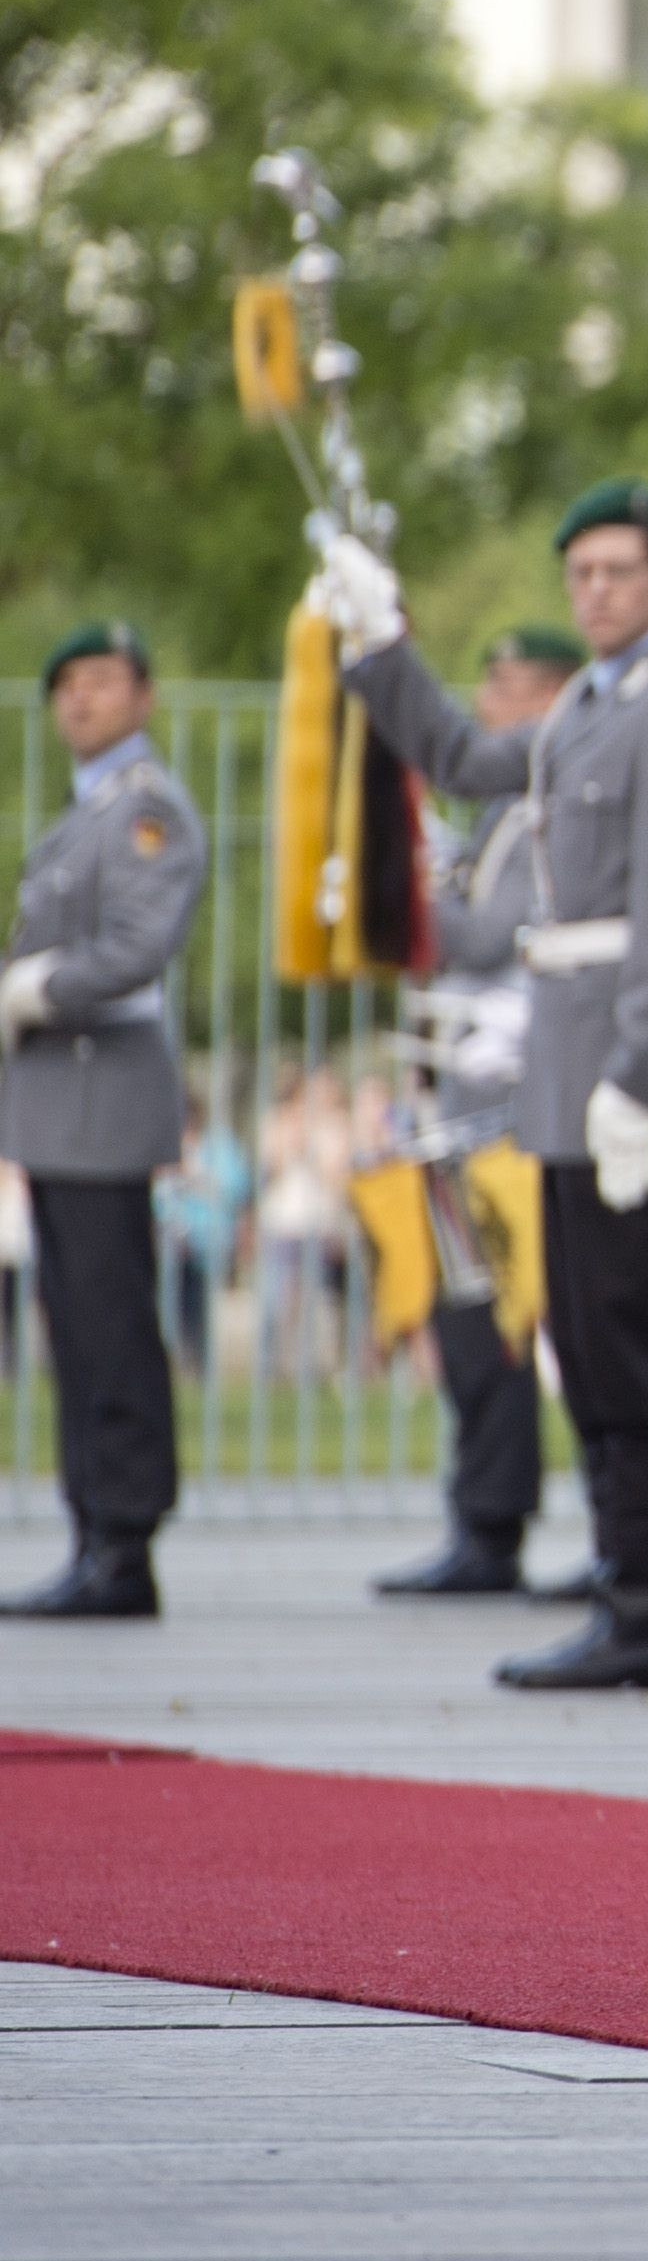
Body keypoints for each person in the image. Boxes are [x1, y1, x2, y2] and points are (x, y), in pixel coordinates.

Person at [321, 484, 648, 1689]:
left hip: (625, 1082)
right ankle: (626, 1593)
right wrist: (378, 647)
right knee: (590, 1351)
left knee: (635, 1349)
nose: (597, 591)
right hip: (567, 1083)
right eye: (583, 575)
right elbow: (458, 756)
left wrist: (639, 1082)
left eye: (618, 571)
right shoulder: (580, 717)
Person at [0, 623, 207, 1622]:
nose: (80, 699)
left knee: (110, 1321)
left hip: (101, 1090)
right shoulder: (91, 812)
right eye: (66, 685)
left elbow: (134, 948)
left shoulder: (144, 808)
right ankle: (96, 1531)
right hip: (65, 1102)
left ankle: (121, 1540)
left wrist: (34, 989)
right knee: (78, 1324)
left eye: (101, 681)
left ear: (144, 696)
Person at [372, 625, 583, 1600]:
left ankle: (494, 1521)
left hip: (505, 1106)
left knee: (496, 1317)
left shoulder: (542, 809)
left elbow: (495, 934)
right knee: (465, 1318)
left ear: (542, 700)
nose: (483, 705)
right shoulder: (504, 811)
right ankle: (477, 1513)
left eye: (499, 686)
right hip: (466, 1095)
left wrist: (409, 890)